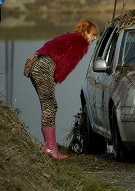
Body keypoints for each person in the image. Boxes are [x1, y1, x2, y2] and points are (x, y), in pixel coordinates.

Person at [26, 20, 99, 160]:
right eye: (93, 34)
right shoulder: (81, 43)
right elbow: (67, 63)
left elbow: (47, 46)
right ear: (86, 32)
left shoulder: (69, 36)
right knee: (50, 105)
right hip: (44, 68)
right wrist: (57, 77)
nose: (94, 38)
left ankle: (50, 147)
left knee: (49, 105)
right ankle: (50, 148)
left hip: (37, 64)